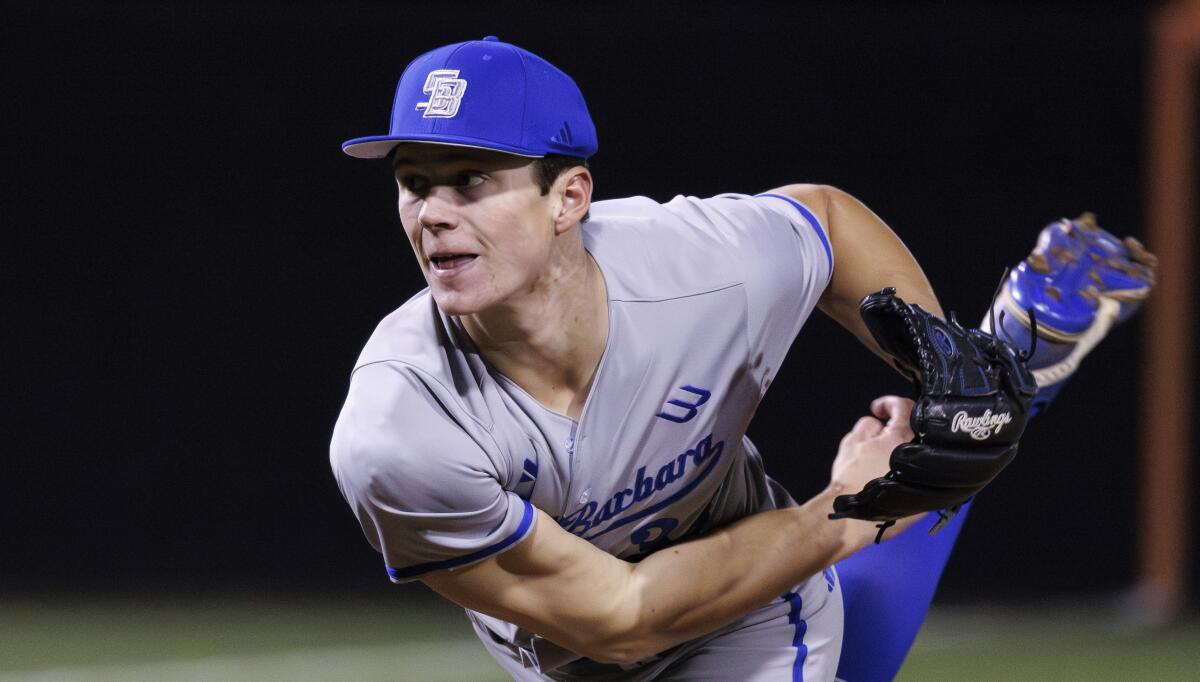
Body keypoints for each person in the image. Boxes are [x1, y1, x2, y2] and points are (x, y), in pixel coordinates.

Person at [330, 37, 1154, 681]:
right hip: (584, 635)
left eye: (469, 179)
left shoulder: (697, 265)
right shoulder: (399, 429)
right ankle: (1022, 352)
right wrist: (847, 509)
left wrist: (947, 370)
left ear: (569, 197)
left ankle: (1009, 363)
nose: (431, 214)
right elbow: (618, 622)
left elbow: (824, 222)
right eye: (414, 182)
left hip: (747, 590)